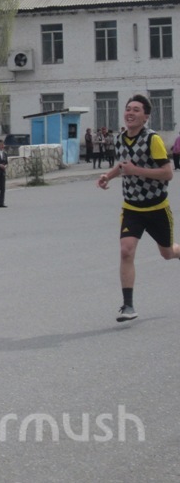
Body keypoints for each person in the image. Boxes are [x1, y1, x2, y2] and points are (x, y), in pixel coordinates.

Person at [96, 94, 180, 322]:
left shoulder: (153, 139)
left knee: (167, 253)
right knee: (126, 250)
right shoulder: (120, 139)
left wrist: (137, 171)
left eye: (136, 110)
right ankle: (128, 306)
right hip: (132, 208)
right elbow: (123, 166)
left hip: (157, 207)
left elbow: (168, 173)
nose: (130, 113)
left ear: (145, 117)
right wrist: (108, 176)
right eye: (128, 109)